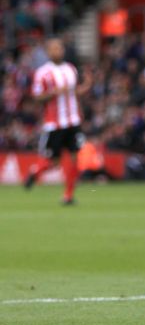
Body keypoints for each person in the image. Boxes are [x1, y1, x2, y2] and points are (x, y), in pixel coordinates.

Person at [24, 38, 92, 204]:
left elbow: (73, 93)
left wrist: (86, 86)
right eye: (53, 49)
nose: (57, 51)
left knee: (76, 157)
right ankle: (35, 173)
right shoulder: (43, 73)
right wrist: (54, 92)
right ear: (48, 52)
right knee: (54, 162)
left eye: (59, 48)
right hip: (54, 123)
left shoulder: (70, 69)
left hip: (73, 121)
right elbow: (37, 97)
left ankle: (68, 196)